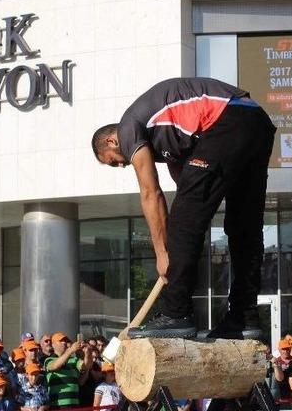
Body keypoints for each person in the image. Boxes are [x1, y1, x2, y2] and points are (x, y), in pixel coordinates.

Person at [92, 77, 276, 338]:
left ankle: (176, 314)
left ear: (112, 141)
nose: (121, 166)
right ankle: (244, 318)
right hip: (256, 121)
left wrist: (163, 253)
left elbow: (151, 193)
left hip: (226, 118)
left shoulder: (128, 127)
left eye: (113, 162)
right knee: (242, 225)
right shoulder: (170, 139)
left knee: (181, 221)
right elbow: (190, 189)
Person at [44, 333, 90, 408]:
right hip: (57, 406)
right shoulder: (49, 359)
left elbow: (85, 366)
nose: (64, 343)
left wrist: (88, 352)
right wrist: (70, 350)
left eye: (65, 341)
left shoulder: (74, 360)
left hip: (74, 405)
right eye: (61, 341)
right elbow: (55, 366)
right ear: (53, 344)